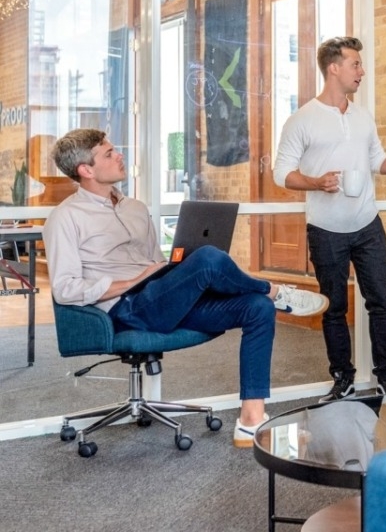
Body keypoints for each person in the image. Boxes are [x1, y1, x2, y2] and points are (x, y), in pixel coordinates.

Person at [43, 128, 328, 448]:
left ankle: (251, 419)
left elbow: (155, 263)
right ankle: (273, 291)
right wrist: (132, 281)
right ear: (86, 170)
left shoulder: (134, 208)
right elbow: (65, 289)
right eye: (109, 153)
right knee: (208, 259)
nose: (119, 155)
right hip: (128, 308)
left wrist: (173, 270)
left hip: (161, 298)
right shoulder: (65, 218)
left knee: (255, 307)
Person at [273, 36, 386, 401]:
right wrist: (316, 181)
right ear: (334, 67)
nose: (361, 71)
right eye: (355, 64)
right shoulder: (302, 119)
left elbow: (378, 161)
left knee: (381, 301)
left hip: (367, 225)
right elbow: (281, 173)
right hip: (326, 229)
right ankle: (342, 377)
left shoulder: (362, 117)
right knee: (334, 305)